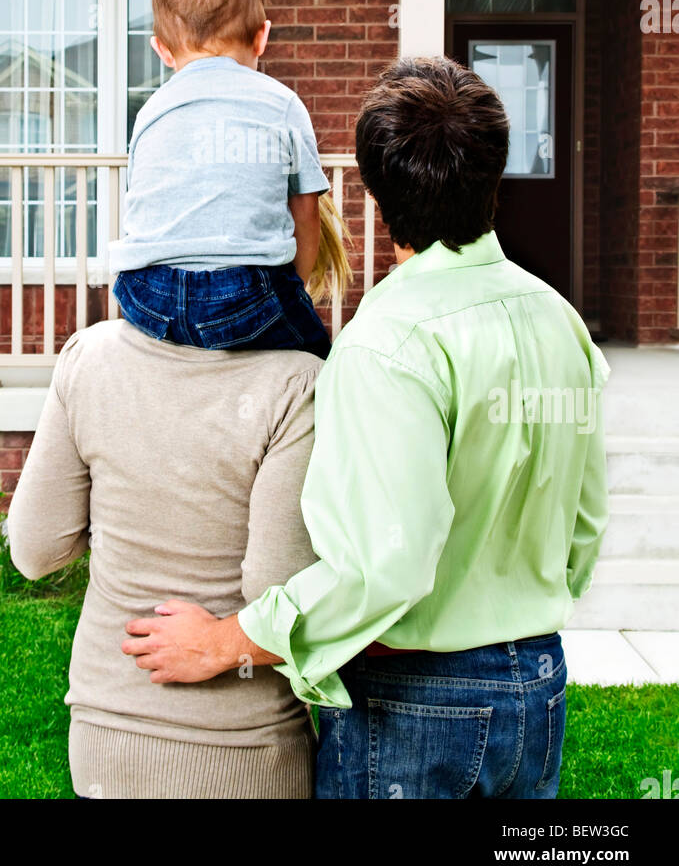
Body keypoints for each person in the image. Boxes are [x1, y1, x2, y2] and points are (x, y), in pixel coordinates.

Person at [123, 55, 611, 801]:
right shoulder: (558, 319)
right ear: (492, 179)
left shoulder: (384, 343)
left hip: (417, 703)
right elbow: (582, 524)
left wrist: (223, 642)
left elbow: (384, 569)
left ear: (378, 200)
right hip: (537, 687)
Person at [7, 206, 352, 800]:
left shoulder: (88, 357)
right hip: (244, 749)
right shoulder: (298, 383)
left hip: (105, 732)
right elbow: (274, 590)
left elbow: (35, 550)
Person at [109, 0, 332, 358]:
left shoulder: (150, 111)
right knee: (318, 352)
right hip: (247, 294)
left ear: (161, 49)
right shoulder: (282, 103)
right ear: (261, 36)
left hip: (146, 295)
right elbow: (306, 214)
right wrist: (291, 293)